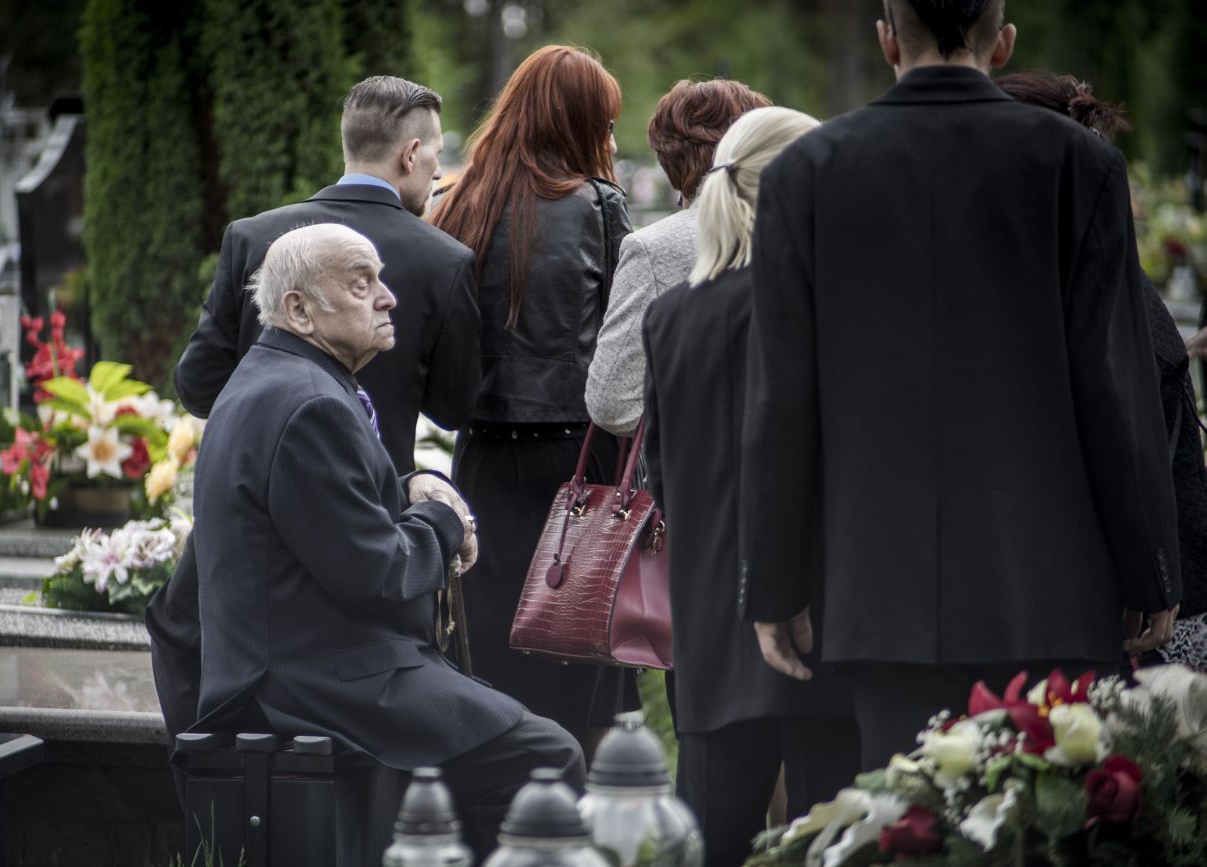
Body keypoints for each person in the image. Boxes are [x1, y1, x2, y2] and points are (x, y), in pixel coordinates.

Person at [740, 0, 1181, 772]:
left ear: (887, 39)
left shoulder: (805, 173)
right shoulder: (1079, 165)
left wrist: (775, 583)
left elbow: (783, 401)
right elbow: (1113, 381)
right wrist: (1151, 566)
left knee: (905, 813)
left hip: (882, 593)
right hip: (1051, 589)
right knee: (1044, 815)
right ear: (1002, 42)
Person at [193, 223, 582, 857]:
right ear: (299, 309)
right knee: (548, 758)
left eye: (379, 278)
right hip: (314, 680)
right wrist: (446, 522)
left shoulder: (276, 376)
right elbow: (377, 574)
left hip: (302, 660)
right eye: (360, 283)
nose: (387, 296)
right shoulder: (310, 402)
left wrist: (408, 488)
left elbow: (320, 506)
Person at [148, 74, 480, 747]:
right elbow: (455, 406)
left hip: (249, 527)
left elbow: (197, 383)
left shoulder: (254, 237)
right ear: (410, 154)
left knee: (197, 649)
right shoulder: (444, 260)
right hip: (374, 524)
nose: (439, 172)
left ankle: (220, 790)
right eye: (437, 154)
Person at [641, 106, 859, 865]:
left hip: (712, 621)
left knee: (709, 842)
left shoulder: (670, 317)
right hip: (819, 614)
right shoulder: (832, 309)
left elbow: (661, 474)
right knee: (832, 841)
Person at [429, 45, 637, 753]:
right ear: (575, 123)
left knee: (488, 663)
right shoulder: (598, 206)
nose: (610, 140)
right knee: (575, 659)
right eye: (604, 123)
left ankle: (495, 807)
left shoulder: (458, 201)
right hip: (576, 462)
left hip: (481, 460)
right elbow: (626, 340)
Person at [997, 70, 1207, 670]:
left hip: (1138, 617)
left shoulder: (1088, 284)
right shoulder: (1097, 269)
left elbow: (1127, 441)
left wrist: (1149, 575)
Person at [586, 79, 771, 436]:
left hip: (701, 462)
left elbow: (613, 404)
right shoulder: (807, 228)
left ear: (669, 157)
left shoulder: (654, 248)